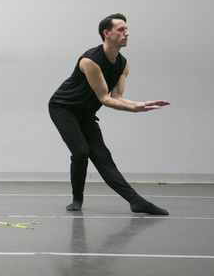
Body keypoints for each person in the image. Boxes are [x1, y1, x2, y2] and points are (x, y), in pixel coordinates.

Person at [48, 13, 170, 215]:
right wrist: (133, 109)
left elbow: (118, 96)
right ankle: (77, 198)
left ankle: (135, 201)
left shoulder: (123, 64)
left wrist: (139, 104)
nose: (127, 33)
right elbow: (104, 98)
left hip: (86, 113)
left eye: (126, 29)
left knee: (103, 157)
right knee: (81, 152)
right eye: (121, 29)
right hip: (63, 108)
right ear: (107, 33)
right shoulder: (90, 60)